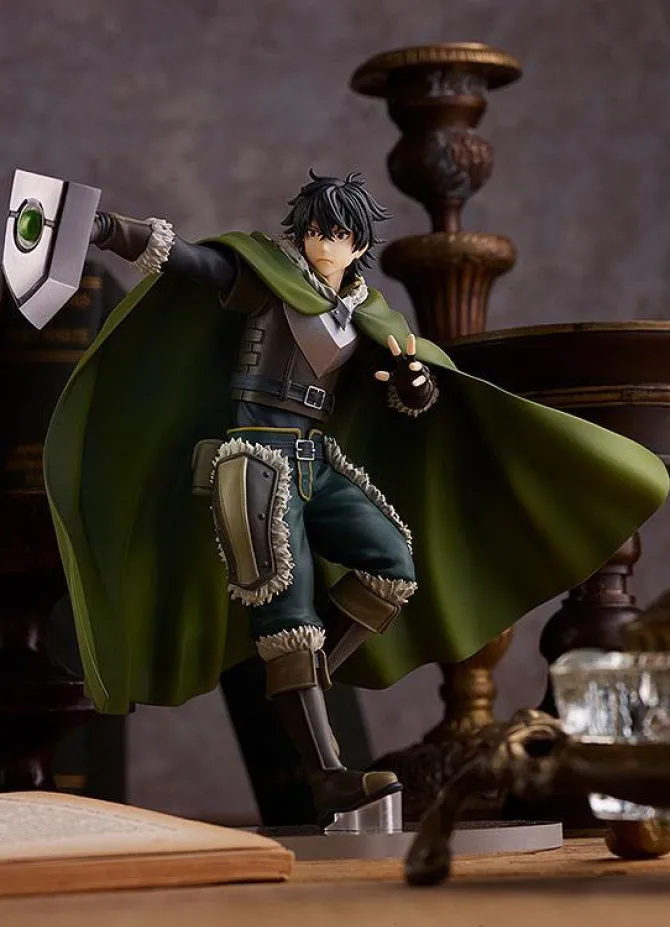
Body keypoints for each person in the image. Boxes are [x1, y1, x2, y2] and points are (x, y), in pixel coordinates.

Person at [44, 170, 668, 826]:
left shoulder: (368, 315)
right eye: (313, 231)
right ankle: (327, 775)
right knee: (286, 616)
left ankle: (299, 672)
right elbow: (193, 262)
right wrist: (108, 229)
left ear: (359, 243)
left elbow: (409, 394)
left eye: (337, 234)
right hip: (256, 461)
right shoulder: (270, 279)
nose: (322, 244)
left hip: (315, 461)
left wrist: (414, 381)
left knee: (390, 567)